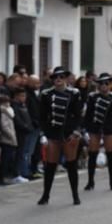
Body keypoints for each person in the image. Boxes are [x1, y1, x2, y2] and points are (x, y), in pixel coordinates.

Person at [37, 66, 84, 205]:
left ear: (66, 78)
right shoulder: (46, 94)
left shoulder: (74, 93)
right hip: (53, 132)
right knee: (50, 165)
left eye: (61, 77)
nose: (58, 79)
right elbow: (42, 116)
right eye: (56, 77)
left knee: (71, 164)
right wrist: (43, 133)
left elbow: (78, 115)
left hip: (69, 132)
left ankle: (75, 195)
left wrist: (76, 131)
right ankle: (45, 195)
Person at [82, 73, 112, 191]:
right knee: (92, 154)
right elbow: (88, 114)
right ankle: (90, 181)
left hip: (109, 128)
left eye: (106, 83)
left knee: (110, 154)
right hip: (95, 127)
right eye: (101, 83)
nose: (104, 86)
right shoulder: (92, 97)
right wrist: (87, 129)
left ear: (110, 84)